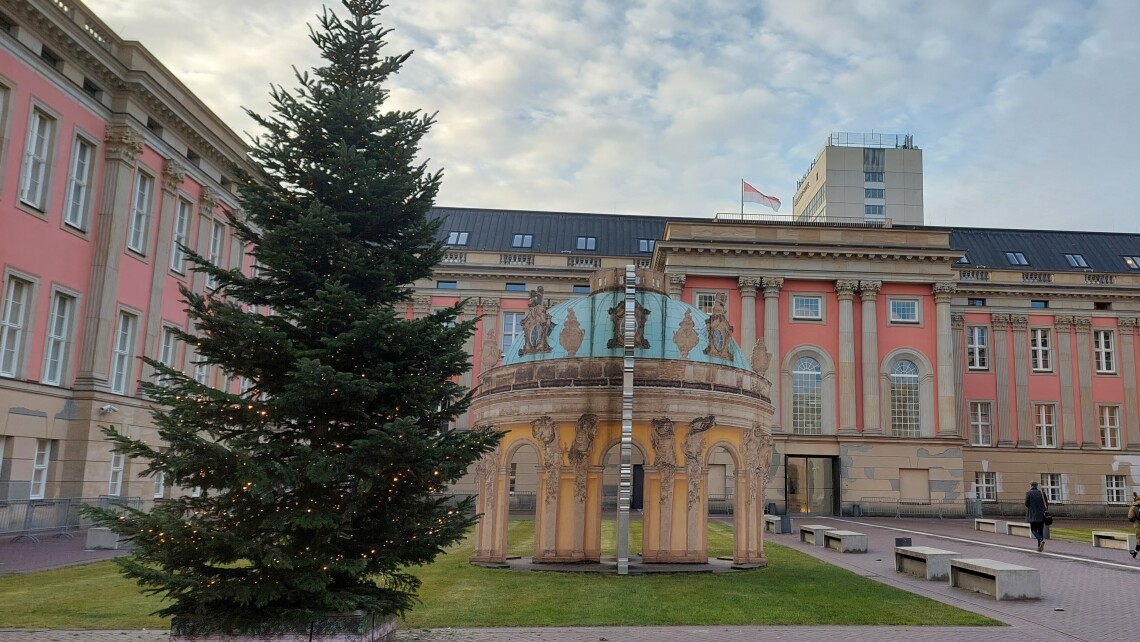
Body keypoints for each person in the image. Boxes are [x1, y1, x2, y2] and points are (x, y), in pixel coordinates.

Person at [1024, 481, 1049, 552]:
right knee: (1040, 530)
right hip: (1041, 515)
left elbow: (1026, 503)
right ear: (1037, 486)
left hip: (1033, 514)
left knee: (1033, 529)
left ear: (1031, 486)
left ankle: (1041, 541)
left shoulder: (1028, 493)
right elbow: (1046, 504)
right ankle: (1039, 546)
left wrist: (1032, 508)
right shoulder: (1042, 493)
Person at [1129, 491, 1140, 559]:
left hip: (1138, 524)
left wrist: (1134, 521)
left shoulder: (1133, 507)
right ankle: (1135, 552)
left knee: (1139, 538)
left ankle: (1135, 552)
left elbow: (1130, 517)